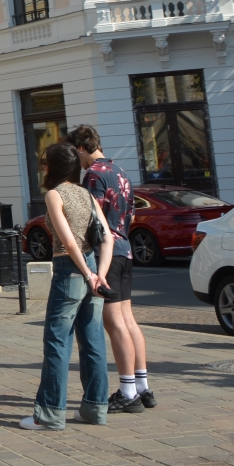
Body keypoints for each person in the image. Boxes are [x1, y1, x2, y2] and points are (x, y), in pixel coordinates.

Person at [22, 141, 113, 431]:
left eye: (45, 163)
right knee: (93, 341)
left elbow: (67, 241)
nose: (42, 168)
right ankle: (95, 409)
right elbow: (107, 237)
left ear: (53, 167)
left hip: (70, 271)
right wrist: (100, 275)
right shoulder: (86, 194)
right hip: (94, 269)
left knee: (57, 343)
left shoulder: (54, 194)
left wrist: (87, 274)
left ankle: (49, 413)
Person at [72, 124, 152, 411]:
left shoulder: (94, 175)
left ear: (81, 148)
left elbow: (92, 216)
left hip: (107, 251)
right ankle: (142, 386)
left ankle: (128, 391)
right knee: (128, 318)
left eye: (75, 152)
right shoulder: (119, 170)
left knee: (113, 321)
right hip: (125, 246)